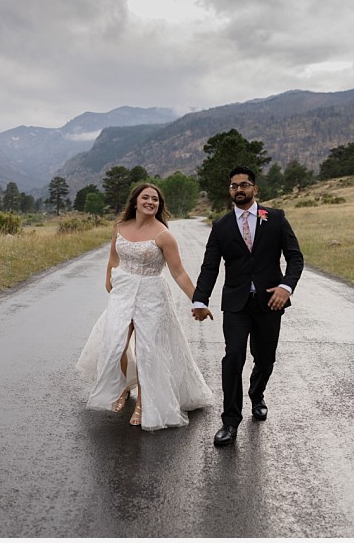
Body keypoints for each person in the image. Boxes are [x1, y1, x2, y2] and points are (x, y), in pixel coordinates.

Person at [77, 182, 214, 430]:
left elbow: (179, 273)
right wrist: (109, 280)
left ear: (159, 205)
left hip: (152, 295)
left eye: (155, 199)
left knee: (147, 350)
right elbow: (113, 257)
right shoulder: (120, 227)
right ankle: (123, 387)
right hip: (123, 291)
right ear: (136, 202)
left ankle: (143, 401)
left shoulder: (163, 235)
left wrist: (199, 301)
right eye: (146, 197)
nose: (150, 202)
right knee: (115, 343)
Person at [192, 166, 304, 447]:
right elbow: (210, 266)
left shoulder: (275, 218)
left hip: (270, 302)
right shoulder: (221, 226)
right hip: (236, 304)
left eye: (244, 185)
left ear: (255, 188)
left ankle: (257, 394)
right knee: (233, 356)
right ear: (229, 190)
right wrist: (200, 299)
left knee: (265, 358)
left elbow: (295, 257)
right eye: (234, 186)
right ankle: (230, 422)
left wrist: (286, 287)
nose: (239, 189)